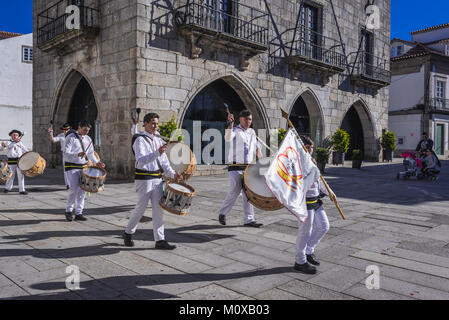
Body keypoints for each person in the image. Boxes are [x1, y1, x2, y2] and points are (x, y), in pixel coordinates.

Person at [123, 113, 182, 250]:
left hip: (157, 179)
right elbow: (142, 161)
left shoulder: (158, 140)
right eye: (153, 123)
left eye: (157, 123)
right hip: (143, 179)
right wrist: (157, 152)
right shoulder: (139, 140)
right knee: (141, 208)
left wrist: (173, 174)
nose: (156, 126)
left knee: (159, 210)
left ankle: (160, 240)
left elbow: (164, 162)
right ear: (146, 124)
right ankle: (128, 233)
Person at [294, 136, 337, 274]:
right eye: (307, 147)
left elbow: (320, 181)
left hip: (316, 201)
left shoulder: (311, 162)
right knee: (304, 232)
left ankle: (309, 251)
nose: (310, 150)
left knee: (324, 226)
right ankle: (299, 261)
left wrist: (330, 192)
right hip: (304, 202)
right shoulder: (296, 163)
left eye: (311, 147)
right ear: (301, 148)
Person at [218, 109, 264, 228]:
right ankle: (222, 213)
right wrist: (230, 124)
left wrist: (263, 163)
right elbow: (227, 138)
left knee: (248, 193)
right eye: (246, 119)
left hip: (248, 168)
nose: (248, 121)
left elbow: (257, 149)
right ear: (240, 119)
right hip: (235, 167)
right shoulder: (235, 130)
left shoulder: (252, 132)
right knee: (235, 191)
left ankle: (249, 220)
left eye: (250, 119)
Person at [63, 121, 105, 222]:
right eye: (85, 130)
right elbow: (65, 154)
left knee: (83, 190)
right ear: (79, 127)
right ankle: (68, 211)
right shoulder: (71, 137)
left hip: (84, 167)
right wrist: (77, 154)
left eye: (88, 130)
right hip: (72, 166)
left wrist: (97, 162)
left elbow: (91, 154)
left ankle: (79, 213)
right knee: (73, 189)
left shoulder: (88, 139)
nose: (86, 132)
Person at [0, 130, 29, 195]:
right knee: (10, 175)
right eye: (13, 135)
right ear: (11, 135)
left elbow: (25, 150)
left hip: (19, 161)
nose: (15, 136)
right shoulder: (8, 142)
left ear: (18, 136)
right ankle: (7, 188)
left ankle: (22, 190)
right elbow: (8, 147)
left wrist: (29, 153)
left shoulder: (20, 142)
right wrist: (15, 143)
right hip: (11, 161)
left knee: (21, 176)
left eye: (16, 135)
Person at [49, 123, 72, 189]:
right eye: (64, 130)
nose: (65, 131)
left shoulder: (72, 135)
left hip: (73, 154)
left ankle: (73, 183)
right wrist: (51, 133)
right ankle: (68, 184)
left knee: (73, 169)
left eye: (67, 129)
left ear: (69, 129)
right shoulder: (61, 135)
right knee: (66, 169)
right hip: (65, 154)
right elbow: (53, 140)